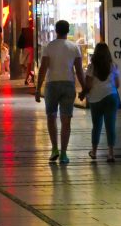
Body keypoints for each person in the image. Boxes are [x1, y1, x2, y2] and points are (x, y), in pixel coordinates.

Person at [35, 20, 87, 164]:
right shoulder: (74, 47)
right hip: (68, 85)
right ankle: (64, 153)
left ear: (56, 30)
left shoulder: (49, 47)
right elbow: (79, 71)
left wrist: (38, 89)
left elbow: (43, 69)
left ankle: (54, 149)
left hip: (52, 85)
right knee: (66, 120)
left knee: (51, 117)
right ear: (67, 30)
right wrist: (84, 88)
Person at [82, 42, 120, 162]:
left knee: (97, 126)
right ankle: (111, 154)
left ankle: (94, 152)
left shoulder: (91, 67)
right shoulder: (113, 66)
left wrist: (83, 94)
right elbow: (117, 84)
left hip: (96, 99)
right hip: (111, 97)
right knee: (111, 125)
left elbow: (88, 85)